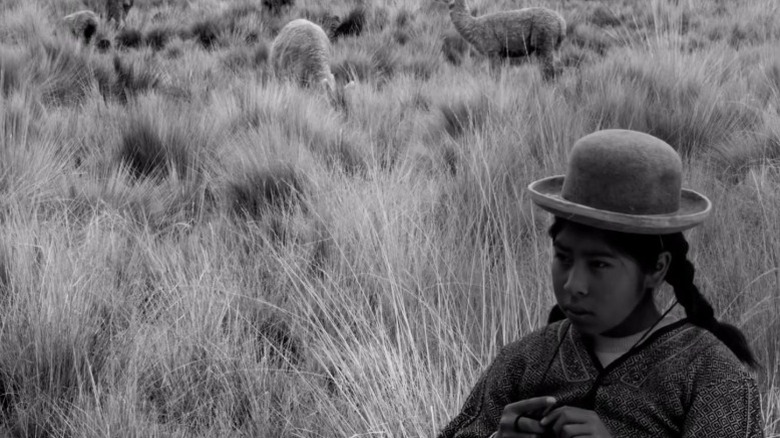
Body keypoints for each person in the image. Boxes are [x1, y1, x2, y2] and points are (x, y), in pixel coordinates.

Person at [436, 129, 764, 438]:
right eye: (563, 257)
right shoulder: (523, 361)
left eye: (599, 264)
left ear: (656, 268)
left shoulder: (711, 376)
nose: (574, 284)